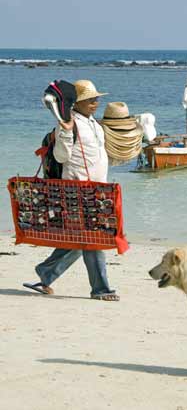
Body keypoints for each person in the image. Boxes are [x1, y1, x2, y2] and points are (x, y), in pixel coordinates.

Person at [23, 79, 121, 301]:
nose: (95, 102)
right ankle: (101, 289)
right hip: (76, 190)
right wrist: (65, 131)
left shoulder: (94, 124)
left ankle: (46, 273)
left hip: (97, 191)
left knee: (79, 241)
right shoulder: (68, 124)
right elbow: (61, 157)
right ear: (76, 103)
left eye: (96, 98)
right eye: (89, 99)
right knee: (93, 238)